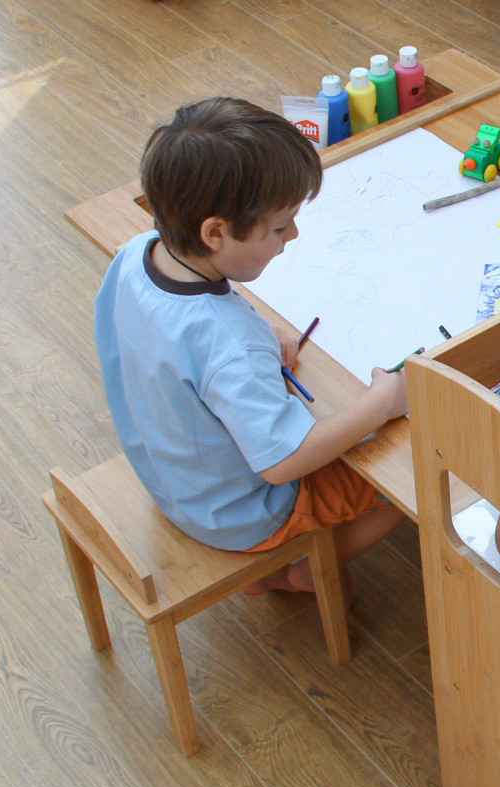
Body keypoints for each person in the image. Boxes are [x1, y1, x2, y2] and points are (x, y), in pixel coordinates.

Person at [94, 97, 406, 595]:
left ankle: (262, 565)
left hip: (171, 478)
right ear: (215, 232)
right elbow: (283, 461)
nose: (294, 234)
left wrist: (259, 335)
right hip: (241, 513)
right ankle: (298, 572)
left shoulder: (139, 253)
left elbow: (176, 332)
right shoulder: (229, 344)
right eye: (280, 226)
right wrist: (381, 404)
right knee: (404, 479)